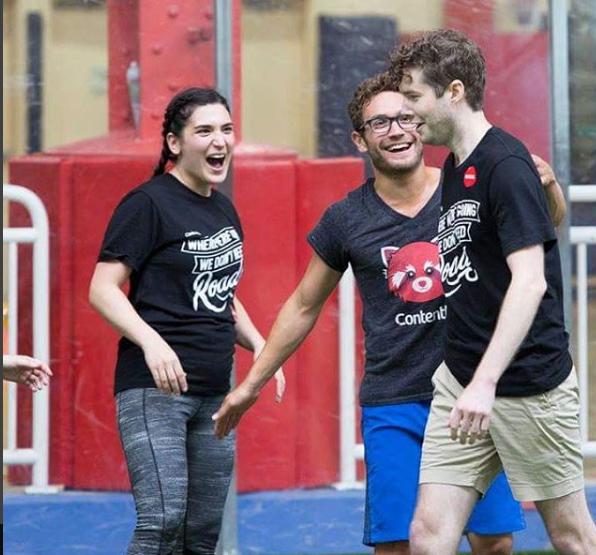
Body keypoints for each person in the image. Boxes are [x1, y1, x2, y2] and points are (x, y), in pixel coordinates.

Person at [212, 73, 565, 555]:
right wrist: (252, 382)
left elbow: (541, 226)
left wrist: (548, 186)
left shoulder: (469, 186)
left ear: (423, 123)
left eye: (405, 117)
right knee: (400, 545)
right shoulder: (346, 219)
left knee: (494, 541)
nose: (396, 130)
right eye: (380, 123)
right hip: (394, 399)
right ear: (360, 139)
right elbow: (303, 304)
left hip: (468, 390)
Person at [390, 29, 596, 555]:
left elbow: (530, 280)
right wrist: (471, 382)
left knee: (572, 538)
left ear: (454, 91)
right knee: (428, 534)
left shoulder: (504, 164)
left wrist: (486, 383)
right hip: (461, 381)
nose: (408, 113)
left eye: (414, 97)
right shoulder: (457, 165)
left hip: (528, 385)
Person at [89, 87, 284, 555]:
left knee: (200, 534)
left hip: (216, 395)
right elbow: (101, 288)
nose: (220, 141)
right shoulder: (148, 203)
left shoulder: (222, 207)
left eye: (226, 129)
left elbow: (220, 296)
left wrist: (261, 346)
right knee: (163, 522)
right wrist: (152, 343)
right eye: (204, 131)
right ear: (175, 143)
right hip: (155, 392)